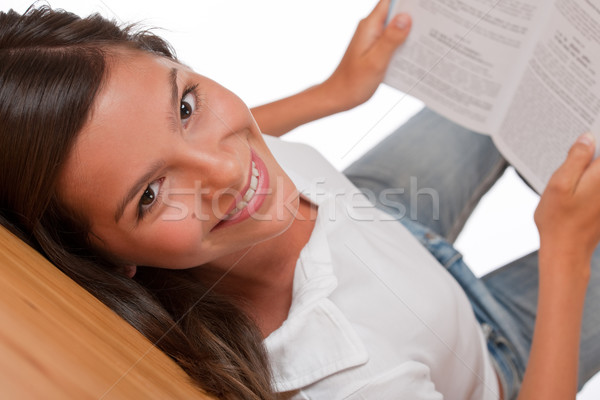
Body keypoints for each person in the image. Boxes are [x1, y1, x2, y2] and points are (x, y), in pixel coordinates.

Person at [0, 1, 599, 399]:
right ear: (109, 260)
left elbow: (150, 140)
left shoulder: (218, 169)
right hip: (500, 354)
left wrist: (333, 94)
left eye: (185, 106)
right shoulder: (353, 379)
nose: (228, 168)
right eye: (151, 195)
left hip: (377, 215)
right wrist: (565, 255)